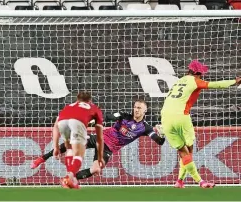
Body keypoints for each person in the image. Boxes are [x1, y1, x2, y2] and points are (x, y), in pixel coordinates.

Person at [31, 99, 165, 181]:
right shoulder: (124, 116)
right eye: (135, 107)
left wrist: (163, 134)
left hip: (108, 149)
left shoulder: (145, 128)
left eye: (139, 108)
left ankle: (70, 178)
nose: (136, 110)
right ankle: (42, 159)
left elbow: (159, 141)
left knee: (96, 169)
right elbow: (108, 116)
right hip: (100, 138)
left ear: (145, 110)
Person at [161, 60, 241, 188]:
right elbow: (216, 85)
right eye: (202, 73)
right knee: (189, 150)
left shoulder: (178, 81)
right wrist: (235, 81)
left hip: (165, 117)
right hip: (181, 115)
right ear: (198, 73)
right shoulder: (195, 81)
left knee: (182, 151)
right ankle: (201, 182)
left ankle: (179, 181)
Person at [53, 91, 105, 189]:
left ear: (77, 99)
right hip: (77, 122)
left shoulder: (69, 106)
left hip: (62, 122)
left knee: (70, 149)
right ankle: (69, 178)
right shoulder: (94, 108)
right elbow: (100, 138)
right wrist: (100, 157)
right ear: (90, 101)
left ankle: (70, 179)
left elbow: (56, 126)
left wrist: (55, 146)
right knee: (79, 153)